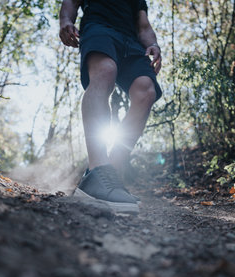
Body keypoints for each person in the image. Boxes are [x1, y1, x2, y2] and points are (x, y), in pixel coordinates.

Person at [59, 0, 162, 213]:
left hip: (131, 41)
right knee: (105, 71)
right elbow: (70, 2)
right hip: (99, 28)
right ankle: (98, 170)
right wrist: (66, 21)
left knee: (146, 91)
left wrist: (154, 44)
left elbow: (143, 26)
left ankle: (109, 179)